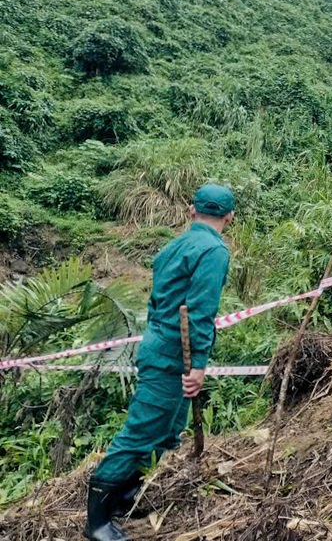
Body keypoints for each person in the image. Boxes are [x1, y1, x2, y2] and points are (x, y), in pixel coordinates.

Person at [85, 184, 235, 541]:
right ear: (229, 217)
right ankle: (97, 520)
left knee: (168, 429)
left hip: (160, 344)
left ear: (192, 211)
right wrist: (199, 365)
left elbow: (159, 302)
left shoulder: (174, 246)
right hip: (172, 354)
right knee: (142, 430)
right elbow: (200, 312)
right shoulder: (213, 251)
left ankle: (124, 495)